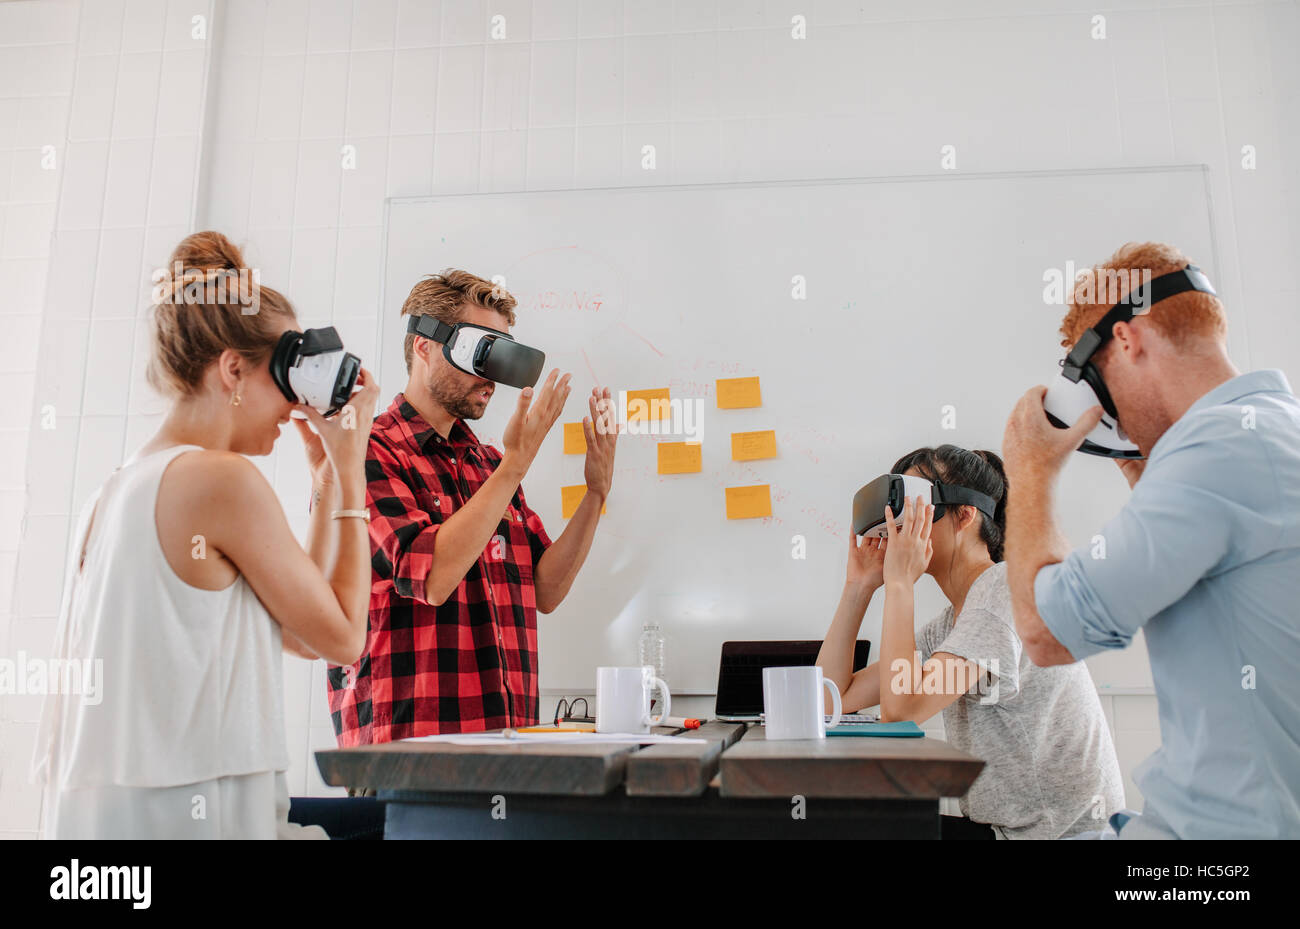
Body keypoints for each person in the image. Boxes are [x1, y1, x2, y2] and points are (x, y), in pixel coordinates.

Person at [32, 231, 382, 839]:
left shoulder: (117, 488)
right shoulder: (219, 480)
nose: (295, 406)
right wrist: (353, 473)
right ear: (233, 371)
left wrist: (327, 483)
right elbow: (346, 638)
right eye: (286, 378)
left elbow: (301, 630)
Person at [1002, 241, 1300, 839]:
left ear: (1129, 340)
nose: (1107, 416)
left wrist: (1030, 470)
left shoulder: (1216, 451)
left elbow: (1046, 633)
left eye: (1095, 379)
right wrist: (1149, 476)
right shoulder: (1266, 431)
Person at [328, 270, 618, 746]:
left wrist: (596, 493)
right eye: (480, 353)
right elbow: (433, 577)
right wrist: (517, 465)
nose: (492, 379)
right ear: (424, 346)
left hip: (505, 741)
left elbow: (545, 588)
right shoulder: (367, 450)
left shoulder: (488, 465)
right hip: (409, 750)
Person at [818, 445, 1123, 839]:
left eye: (915, 509)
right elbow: (828, 699)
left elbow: (902, 709)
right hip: (1007, 830)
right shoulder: (951, 625)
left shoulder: (1006, 593)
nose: (900, 528)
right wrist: (857, 588)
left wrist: (898, 585)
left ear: (964, 514)